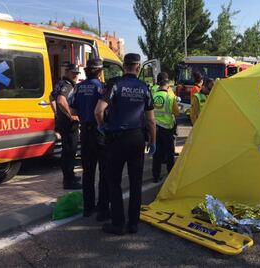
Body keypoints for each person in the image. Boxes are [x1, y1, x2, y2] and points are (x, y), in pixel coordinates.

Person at [95, 53, 156, 235]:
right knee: (136, 182)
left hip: (116, 138)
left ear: (124, 66)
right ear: (138, 68)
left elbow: (98, 111)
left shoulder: (115, 84)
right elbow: (151, 120)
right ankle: (133, 224)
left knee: (114, 181)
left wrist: (102, 127)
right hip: (137, 138)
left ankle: (118, 223)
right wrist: (153, 141)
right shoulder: (145, 87)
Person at [70, 59, 110, 221]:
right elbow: (104, 110)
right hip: (100, 133)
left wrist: (83, 114)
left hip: (85, 133)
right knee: (104, 172)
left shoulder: (78, 87)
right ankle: (102, 206)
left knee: (88, 172)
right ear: (100, 71)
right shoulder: (102, 88)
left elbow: (72, 109)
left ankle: (88, 208)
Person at [52, 64, 82, 190]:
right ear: (67, 72)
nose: (75, 75)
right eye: (73, 73)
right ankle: (69, 181)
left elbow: (51, 98)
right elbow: (60, 100)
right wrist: (70, 115)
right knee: (70, 151)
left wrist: (57, 113)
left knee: (67, 151)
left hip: (62, 122)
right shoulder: (67, 85)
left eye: (77, 73)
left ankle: (70, 175)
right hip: (69, 124)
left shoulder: (60, 83)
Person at [152, 72, 180, 183]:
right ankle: (170, 174)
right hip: (167, 128)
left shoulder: (153, 95)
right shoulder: (169, 96)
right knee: (169, 153)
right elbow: (176, 112)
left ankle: (156, 175)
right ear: (168, 86)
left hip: (156, 128)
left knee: (157, 154)